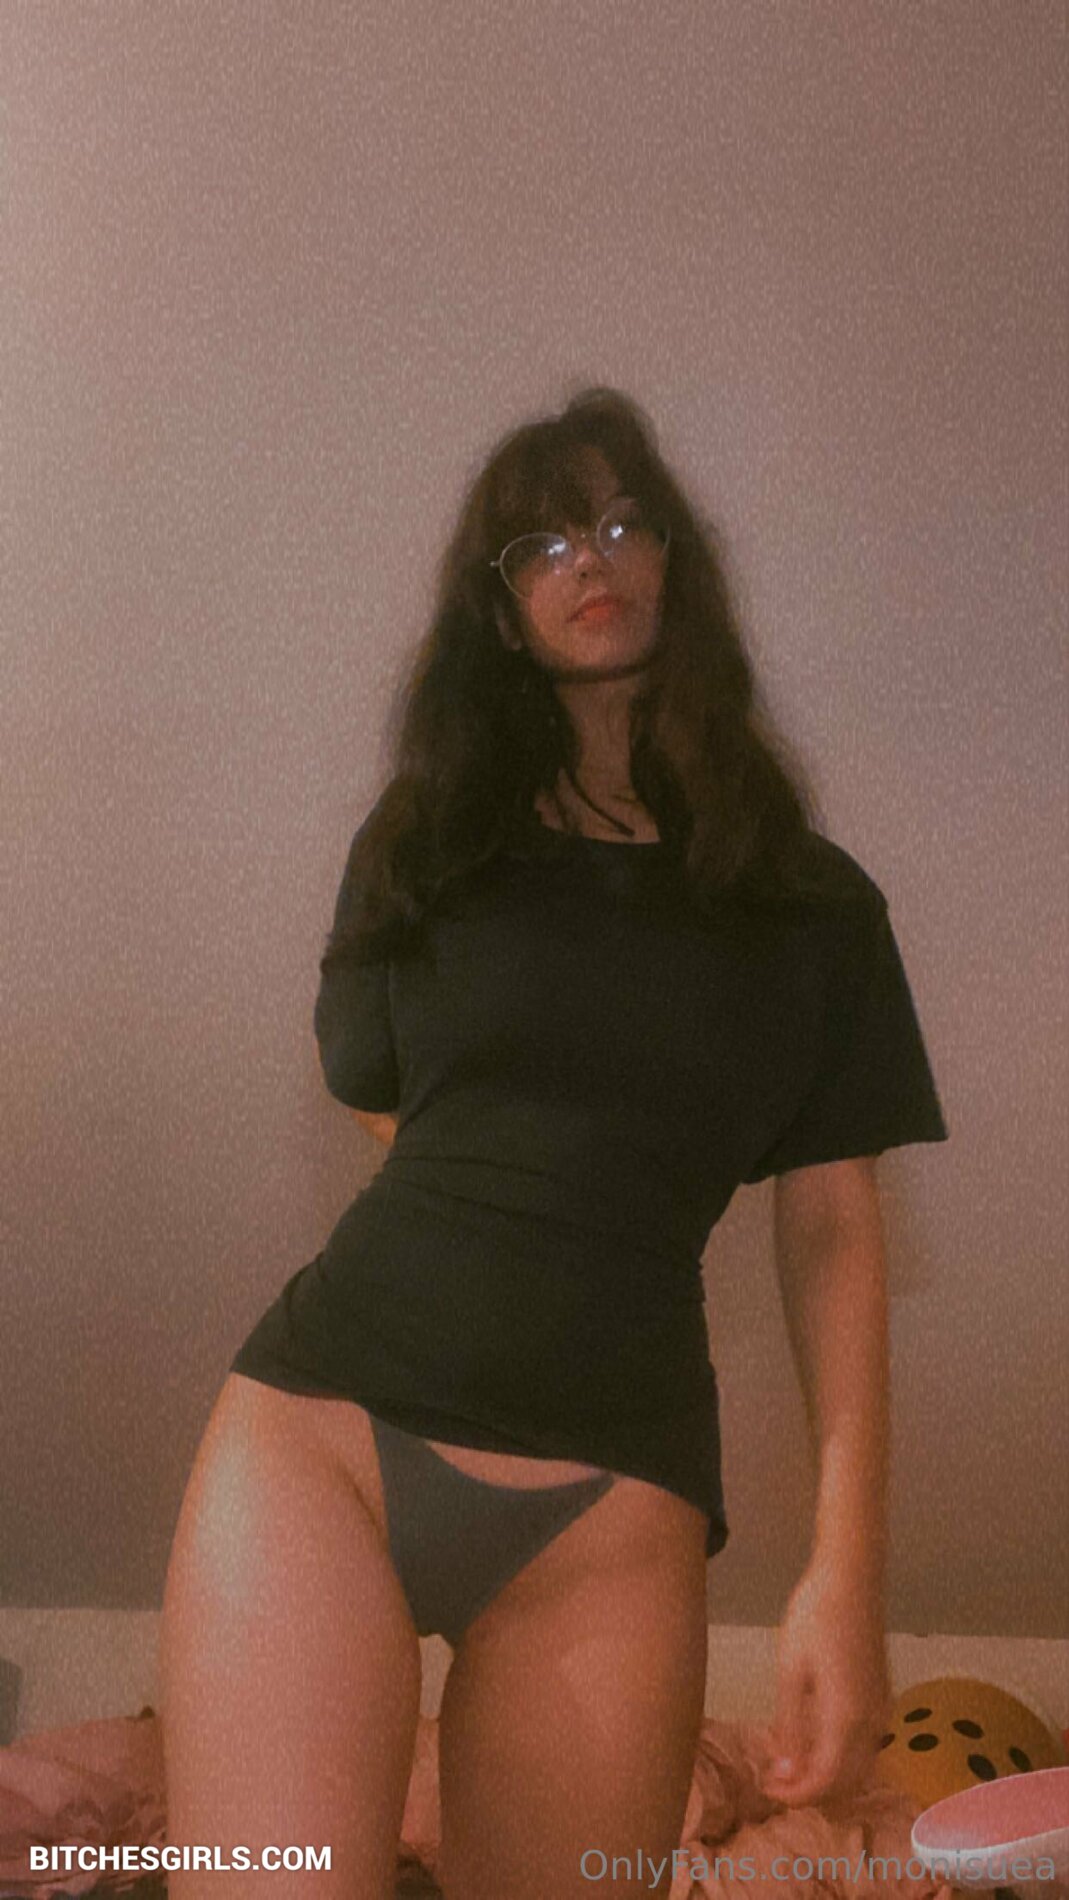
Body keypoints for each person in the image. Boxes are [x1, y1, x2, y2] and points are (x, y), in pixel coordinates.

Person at [159, 385, 948, 1899]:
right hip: (326, 1442)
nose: (588, 557)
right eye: (541, 541)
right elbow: (382, 1093)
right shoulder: (426, 842)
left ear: (674, 563)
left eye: (619, 521)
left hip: (612, 1508)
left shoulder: (810, 905)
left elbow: (834, 1230)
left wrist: (844, 1574)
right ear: (502, 611)